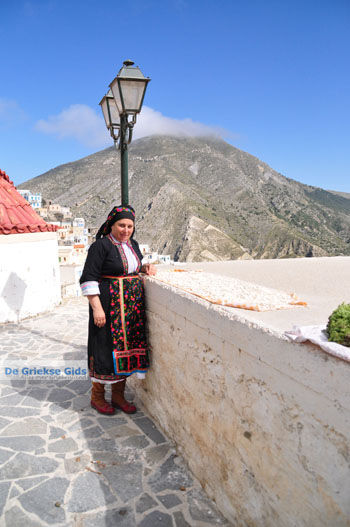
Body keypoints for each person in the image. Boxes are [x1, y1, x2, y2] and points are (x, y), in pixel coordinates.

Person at [80, 205, 156, 415]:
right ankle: (97, 397)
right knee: (104, 348)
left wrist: (143, 267)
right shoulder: (100, 247)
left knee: (126, 350)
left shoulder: (133, 245)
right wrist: (97, 308)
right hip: (108, 306)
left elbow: (129, 267)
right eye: (121, 225)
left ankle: (118, 396)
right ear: (111, 225)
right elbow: (88, 278)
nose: (126, 230)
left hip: (130, 309)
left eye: (130, 226)